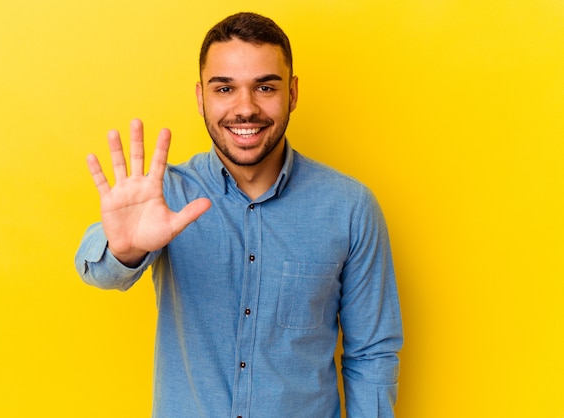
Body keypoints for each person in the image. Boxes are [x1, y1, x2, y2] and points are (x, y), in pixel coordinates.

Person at [75, 12, 403, 418]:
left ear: (293, 93)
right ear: (200, 97)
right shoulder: (163, 196)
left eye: (265, 87)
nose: (245, 108)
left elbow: (372, 353)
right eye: (225, 88)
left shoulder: (350, 208)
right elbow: (95, 267)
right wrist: (123, 252)